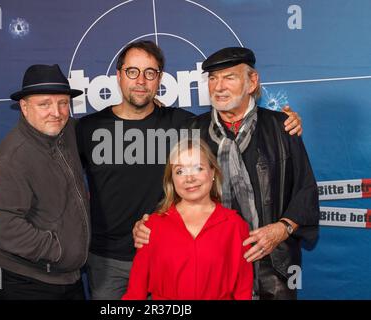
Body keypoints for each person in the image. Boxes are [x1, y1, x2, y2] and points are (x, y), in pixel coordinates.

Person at [76, 41, 302, 300]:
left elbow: (227, 125)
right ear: (118, 75)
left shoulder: (184, 123)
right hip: (107, 260)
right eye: (132, 72)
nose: (141, 80)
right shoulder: (87, 128)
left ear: (159, 78)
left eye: (150, 73)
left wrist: (286, 122)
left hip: (169, 256)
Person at [133, 47, 320, 300]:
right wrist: (146, 225)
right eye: (212, 78)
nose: (218, 87)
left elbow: (305, 190)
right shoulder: (192, 130)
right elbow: (172, 190)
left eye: (229, 77)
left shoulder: (282, 127)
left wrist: (282, 229)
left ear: (252, 82)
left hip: (272, 266)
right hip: (213, 268)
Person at [0, 64, 90, 300]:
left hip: (67, 276)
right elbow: (8, 229)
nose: (57, 112)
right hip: (25, 281)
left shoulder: (68, 131)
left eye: (63, 103)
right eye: (45, 104)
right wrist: (61, 250)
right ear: (24, 107)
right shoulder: (10, 159)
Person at [122, 139, 253, 300]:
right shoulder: (151, 226)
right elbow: (136, 292)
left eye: (198, 168)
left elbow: (243, 291)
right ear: (172, 180)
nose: (189, 178)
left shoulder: (235, 225)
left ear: (213, 172)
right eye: (180, 171)